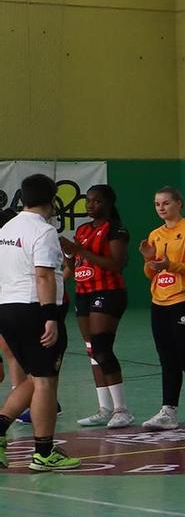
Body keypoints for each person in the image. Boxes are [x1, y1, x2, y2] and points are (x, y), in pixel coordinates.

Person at [0, 175, 80, 469]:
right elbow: (44, 275)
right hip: (35, 309)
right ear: (53, 200)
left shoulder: (6, 228)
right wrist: (50, 317)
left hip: (6, 309)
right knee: (46, 381)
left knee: (34, 376)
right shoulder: (44, 231)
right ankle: (44, 453)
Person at [140, 186, 185, 432]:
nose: (161, 208)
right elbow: (150, 273)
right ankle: (168, 411)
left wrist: (171, 264)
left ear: (179, 204)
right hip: (159, 302)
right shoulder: (155, 234)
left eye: (166, 203)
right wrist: (150, 260)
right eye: (157, 204)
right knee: (167, 358)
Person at [63, 184, 132, 429]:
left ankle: (122, 410)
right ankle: (104, 409)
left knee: (103, 348)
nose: (91, 205)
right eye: (88, 201)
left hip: (108, 292)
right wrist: (69, 255)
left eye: (97, 201)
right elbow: (73, 263)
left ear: (109, 203)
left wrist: (80, 250)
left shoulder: (115, 229)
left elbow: (116, 264)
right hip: (83, 293)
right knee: (93, 350)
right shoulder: (82, 229)